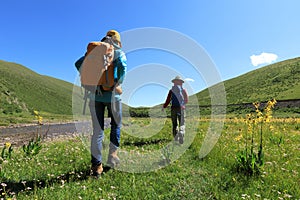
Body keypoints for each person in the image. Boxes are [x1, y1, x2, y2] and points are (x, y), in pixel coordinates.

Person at [88, 30, 127, 177]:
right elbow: (122, 67)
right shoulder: (118, 53)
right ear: (118, 41)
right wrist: (117, 83)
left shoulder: (95, 52)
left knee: (97, 131)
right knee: (116, 125)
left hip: (95, 97)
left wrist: (92, 83)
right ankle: (112, 155)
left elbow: (78, 63)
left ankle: (96, 167)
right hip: (113, 97)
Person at [162, 76, 188, 144]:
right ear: (181, 83)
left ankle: (176, 137)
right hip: (181, 109)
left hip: (173, 109)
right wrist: (182, 105)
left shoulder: (171, 91)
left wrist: (164, 107)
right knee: (182, 123)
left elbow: (168, 100)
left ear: (174, 82)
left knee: (174, 124)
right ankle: (181, 132)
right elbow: (186, 100)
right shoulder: (183, 90)